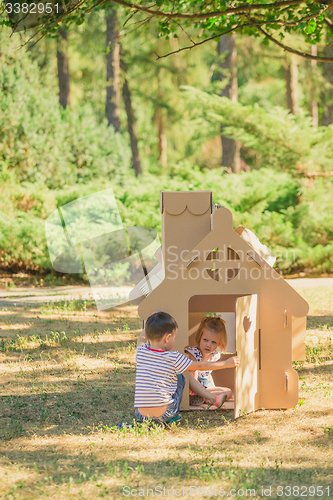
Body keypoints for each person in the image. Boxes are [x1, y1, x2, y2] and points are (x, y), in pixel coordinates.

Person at [134, 312, 239, 423]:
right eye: (174, 338)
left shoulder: (141, 351)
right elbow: (200, 365)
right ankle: (173, 415)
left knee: (227, 391)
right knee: (180, 377)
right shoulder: (173, 357)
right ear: (168, 338)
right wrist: (226, 364)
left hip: (141, 416)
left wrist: (150, 322)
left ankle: (208, 398)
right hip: (165, 413)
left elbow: (141, 338)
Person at [185, 316, 235, 406]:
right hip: (195, 387)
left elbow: (208, 374)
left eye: (213, 342)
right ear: (200, 337)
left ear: (218, 343)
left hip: (206, 387)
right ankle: (203, 397)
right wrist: (193, 392)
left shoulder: (214, 356)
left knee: (228, 391)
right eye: (205, 340)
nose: (208, 345)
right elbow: (192, 375)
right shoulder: (194, 353)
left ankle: (207, 398)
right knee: (223, 393)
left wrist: (214, 388)